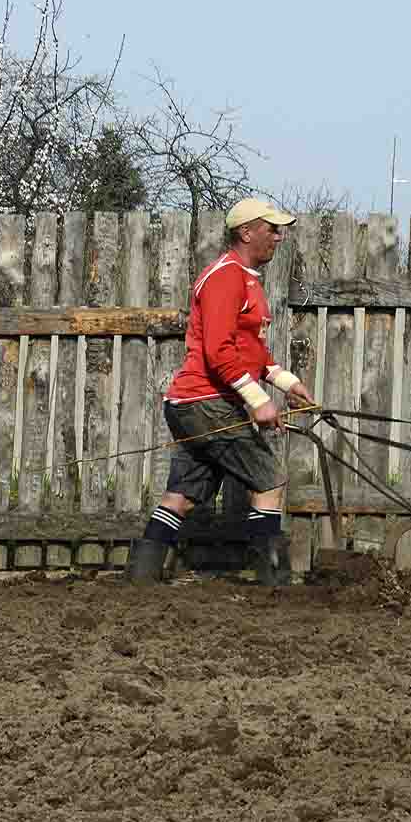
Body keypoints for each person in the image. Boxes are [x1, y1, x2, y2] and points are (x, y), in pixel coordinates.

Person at [127, 196, 314, 586]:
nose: (279, 237)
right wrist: (260, 402)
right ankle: (273, 583)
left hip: (194, 403)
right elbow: (218, 353)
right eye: (271, 229)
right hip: (205, 402)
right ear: (246, 232)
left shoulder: (247, 281)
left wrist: (288, 384)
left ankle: (140, 578)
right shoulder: (225, 277)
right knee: (270, 478)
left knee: (184, 492)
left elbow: (256, 357)